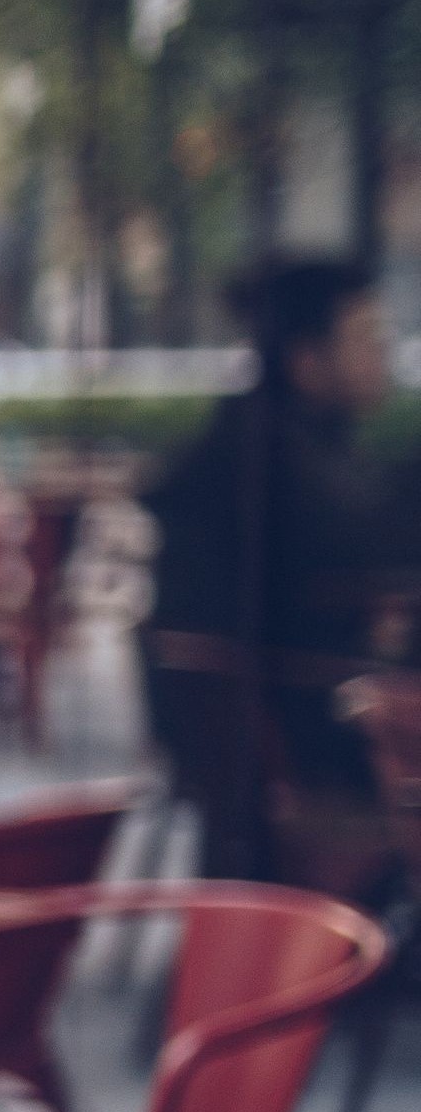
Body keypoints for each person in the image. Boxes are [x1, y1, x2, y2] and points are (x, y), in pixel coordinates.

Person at [140, 258, 407, 884]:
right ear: (307, 359)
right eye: (367, 335)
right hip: (304, 737)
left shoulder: (260, 438)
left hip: (269, 718)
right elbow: (377, 541)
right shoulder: (275, 460)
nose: (384, 353)